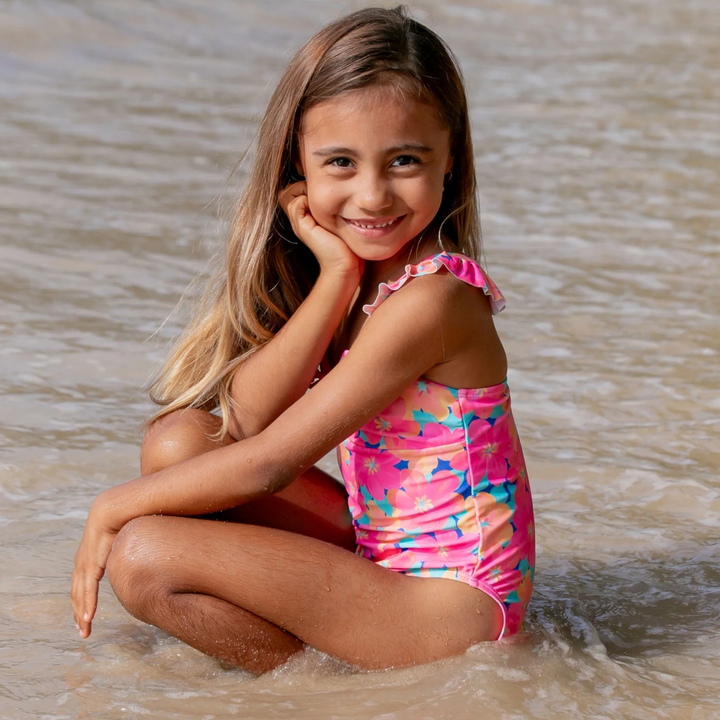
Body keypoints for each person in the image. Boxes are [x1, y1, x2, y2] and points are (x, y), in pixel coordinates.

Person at [71, 5, 535, 675]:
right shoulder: (365, 276)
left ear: (451, 157)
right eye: (340, 162)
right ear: (298, 164)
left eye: (404, 160)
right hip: (388, 551)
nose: (372, 196)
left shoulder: (434, 299)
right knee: (177, 443)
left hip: (455, 606)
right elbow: (247, 422)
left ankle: (323, 692)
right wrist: (336, 278)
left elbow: (268, 465)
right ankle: (330, 662)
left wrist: (109, 508)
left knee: (144, 557)